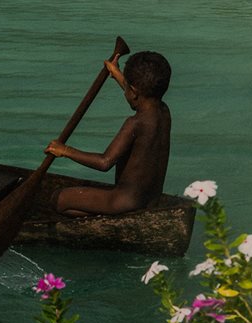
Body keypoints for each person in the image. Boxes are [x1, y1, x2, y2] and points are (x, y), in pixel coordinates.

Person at [48, 50, 171, 215]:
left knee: (58, 199)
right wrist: (117, 74)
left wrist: (65, 150)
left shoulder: (134, 123)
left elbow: (104, 162)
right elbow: (142, 96)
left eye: (126, 87)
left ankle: (104, 218)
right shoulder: (164, 112)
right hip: (150, 201)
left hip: (122, 203)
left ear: (133, 92)